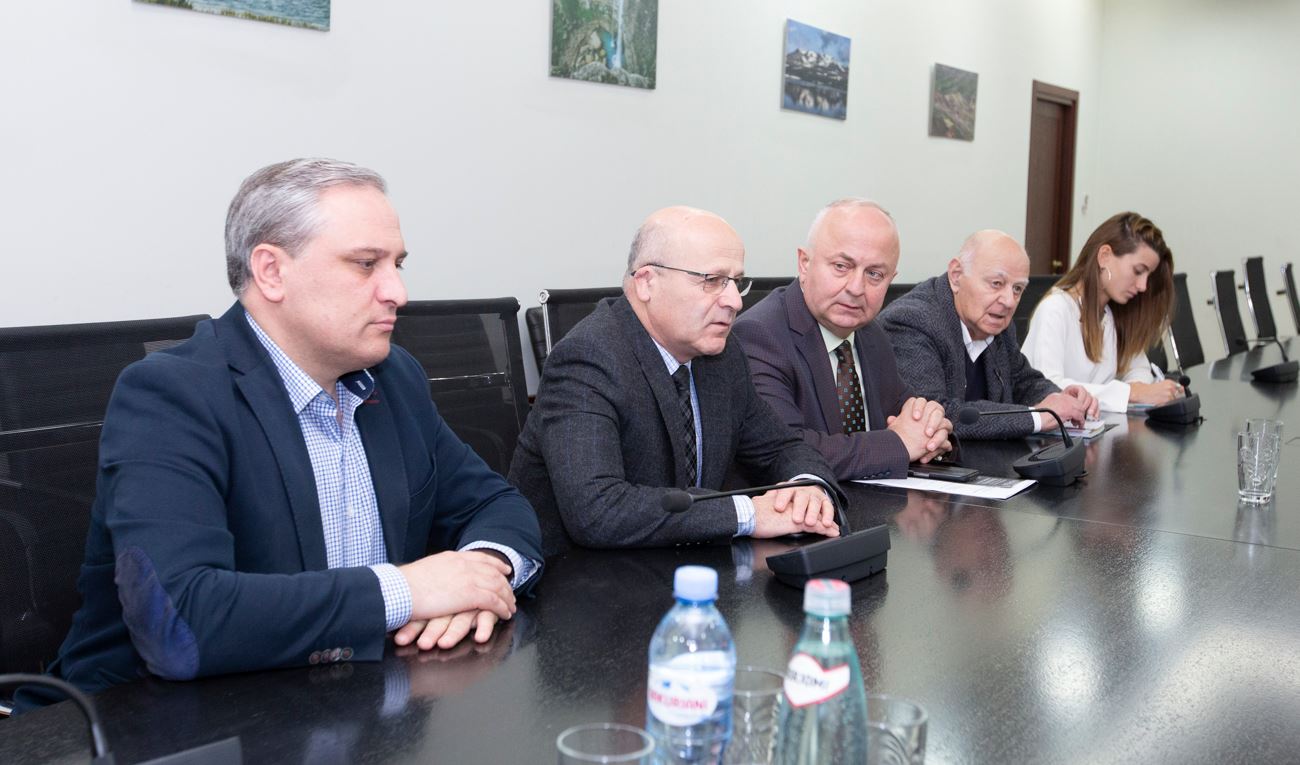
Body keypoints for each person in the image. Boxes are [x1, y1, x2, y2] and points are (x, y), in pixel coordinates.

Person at [29, 159, 542, 703]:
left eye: (397, 264)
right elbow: (183, 622)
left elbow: (497, 504)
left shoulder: (394, 379)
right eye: (366, 264)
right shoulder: (170, 396)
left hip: (358, 703)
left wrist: (482, 574)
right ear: (271, 271)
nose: (398, 291)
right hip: (163, 720)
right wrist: (408, 591)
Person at [508, 206, 843, 554]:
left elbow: (781, 447)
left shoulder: (722, 355)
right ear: (647, 282)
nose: (734, 301)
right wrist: (748, 513)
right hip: (578, 574)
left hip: (680, 562)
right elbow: (598, 510)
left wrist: (808, 487)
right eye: (712, 280)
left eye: (737, 282)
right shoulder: (587, 358)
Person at [732, 199, 952, 481]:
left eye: (874, 274)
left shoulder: (871, 334)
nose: (856, 288)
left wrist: (932, 431)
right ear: (804, 263)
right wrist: (900, 443)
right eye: (841, 266)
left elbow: (911, 418)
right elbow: (785, 450)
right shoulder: (760, 335)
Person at [878, 230, 1098, 439]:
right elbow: (933, 413)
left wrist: (1061, 398)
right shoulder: (911, 321)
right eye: (996, 284)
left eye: (1017, 289)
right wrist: (1038, 417)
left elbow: (1022, 380)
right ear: (956, 275)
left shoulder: (995, 323)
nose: (1009, 301)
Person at [1022, 212, 1181, 412]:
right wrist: (1131, 394)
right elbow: (1048, 388)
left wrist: (1139, 389)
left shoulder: (1112, 314)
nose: (1143, 286)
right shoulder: (1055, 309)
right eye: (1138, 271)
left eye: (1148, 276)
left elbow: (1140, 369)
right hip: (1051, 431)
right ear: (1104, 256)